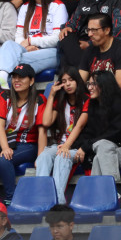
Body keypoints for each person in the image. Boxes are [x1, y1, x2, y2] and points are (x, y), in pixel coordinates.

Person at [0, 0, 68, 92]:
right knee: (9, 45)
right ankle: (1, 79)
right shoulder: (25, 7)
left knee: (12, 62)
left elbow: (57, 38)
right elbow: (18, 36)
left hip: (51, 52)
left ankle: (0, 83)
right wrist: (25, 47)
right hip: (27, 51)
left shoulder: (58, 6)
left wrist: (30, 41)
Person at [0, 64, 46, 204]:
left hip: (27, 144)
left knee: (3, 160)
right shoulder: (5, 96)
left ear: (32, 81)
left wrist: (41, 157)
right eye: (14, 77)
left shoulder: (39, 100)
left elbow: (42, 132)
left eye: (21, 77)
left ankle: (12, 199)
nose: (17, 80)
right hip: (5, 141)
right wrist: (5, 148)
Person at [77, 70, 121, 181]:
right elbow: (91, 132)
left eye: (93, 84)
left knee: (102, 147)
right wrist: (75, 147)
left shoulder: (119, 103)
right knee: (98, 157)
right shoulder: (93, 104)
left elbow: (115, 133)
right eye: (89, 84)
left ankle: (110, 191)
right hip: (113, 148)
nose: (90, 88)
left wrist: (86, 146)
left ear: (104, 84)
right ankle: (101, 195)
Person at [36, 67, 89, 204]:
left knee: (62, 155)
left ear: (78, 81)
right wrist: (52, 95)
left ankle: (58, 200)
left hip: (78, 147)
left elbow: (82, 126)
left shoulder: (87, 100)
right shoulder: (60, 101)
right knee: (44, 156)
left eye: (71, 80)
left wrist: (67, 146)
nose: (68, 84)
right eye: (64, 81)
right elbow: (46, 122)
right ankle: (41, 197)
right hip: (61, 144)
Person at [77, 13, 121, 91]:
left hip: (116, 100)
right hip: (94, 96)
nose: (89, 34)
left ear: (107, 30)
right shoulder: (89, 50)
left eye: (94, 30)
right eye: (88, 30)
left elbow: (120, 86)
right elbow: (80, 82)